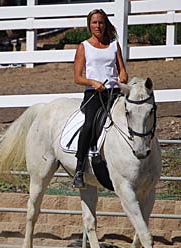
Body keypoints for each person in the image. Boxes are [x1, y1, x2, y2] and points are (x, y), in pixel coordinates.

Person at [73, 9, 128, 188]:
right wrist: (92, 82)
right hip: (94, 94)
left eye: (101, 23)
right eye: (95, 23)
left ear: (106, 25)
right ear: (89, 25)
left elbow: (121, 69)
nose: (98, 26)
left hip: (113, 93)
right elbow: (77, 77)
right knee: (89, 124)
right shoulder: (84, 46)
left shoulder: (113, 45)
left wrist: (123, 77)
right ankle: (79, 168)